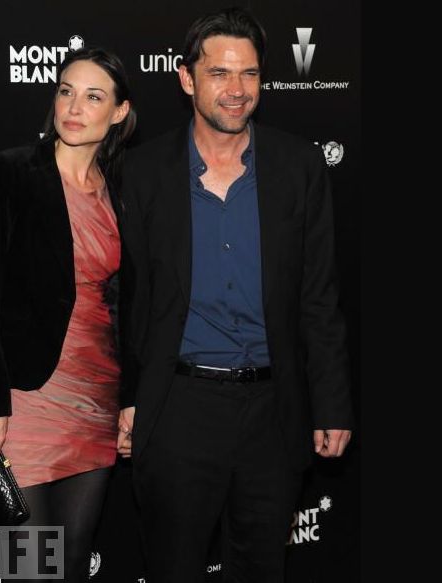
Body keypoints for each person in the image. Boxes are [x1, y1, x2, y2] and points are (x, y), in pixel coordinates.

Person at [117, 7, 354, 583]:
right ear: (186, 78)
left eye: (249, 73)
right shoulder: (143, 172)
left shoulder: (298, 166)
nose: (237, 90)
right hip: (178, 408)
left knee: (261, 569)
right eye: (219, 73)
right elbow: (127, 297)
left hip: (274, 411)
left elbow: (319, 297)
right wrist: (128, 395)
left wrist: (330, 402)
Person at [0, 47, 135, 582]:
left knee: (73, 561)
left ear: (119, 112)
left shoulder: (122, 192)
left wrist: (131, 398)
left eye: (93, 97)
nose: (74, 107)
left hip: (96, 397)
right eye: (66, 91)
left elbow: (128, 305)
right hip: (23, 400)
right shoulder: (10, 172)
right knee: (30, 564)